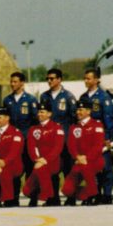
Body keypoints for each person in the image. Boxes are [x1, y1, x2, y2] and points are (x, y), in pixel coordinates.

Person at [79, 68, 113, 204]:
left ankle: (107, 195)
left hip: (100, 136)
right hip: (87, 137)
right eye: (85, 78)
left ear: (96, 80)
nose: (86, 81)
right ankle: (93, 193)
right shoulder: (83, 97)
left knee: (105, 166)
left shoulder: (103, 97)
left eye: (89, 78)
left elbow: (108, 119)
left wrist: (108, 138)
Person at [39, 68, 77, 205]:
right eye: (47, 79)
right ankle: (53, 197)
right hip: (49, 139)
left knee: (68, 168)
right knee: (52, 168)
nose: (49, 81)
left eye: (52, 78)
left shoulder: (68, 97)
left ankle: (71, 197)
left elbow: (74, 118)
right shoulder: (44, 96)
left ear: (59, 79)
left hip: (65, 138)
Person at [61, 101, 105, 206]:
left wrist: (87, 158)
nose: (78, 112)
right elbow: (71, 145)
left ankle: (92, 195)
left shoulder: (97, 125)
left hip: (94, 161)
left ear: (88, 111)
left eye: (81, 110)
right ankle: (87, 195)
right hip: (79, 161)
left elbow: (98, 146)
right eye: (77, 110)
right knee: (67, 190)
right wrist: (77, 157)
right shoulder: (74, 127)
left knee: (86, 168)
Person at [3, 71, 38, 201]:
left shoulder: (30, 100)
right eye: (11, 81)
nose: (12, 84)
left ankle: (32, 197)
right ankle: (14, 197)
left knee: (29, 168)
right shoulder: (7, 100)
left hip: (27, 138)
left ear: (22, 83)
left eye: (15, 82)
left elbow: (35, 120)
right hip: (13, 141)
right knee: (14, 168)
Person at [21, 103, 65, 206]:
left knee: (43, 170)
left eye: (42, 112)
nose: (39, 114)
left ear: (49, 114)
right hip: (38, 162)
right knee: (38, 170)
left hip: (53, 161)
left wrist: (45, 160)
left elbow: (57, 147)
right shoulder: (33, 129)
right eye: (38, 112)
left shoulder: (57, 128)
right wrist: (37, 159)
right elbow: (31, 147)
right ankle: (40, 196)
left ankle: (49, 197)